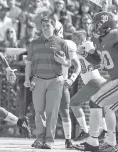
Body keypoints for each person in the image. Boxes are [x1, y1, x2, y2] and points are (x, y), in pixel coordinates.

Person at [74, 12, 118, 152]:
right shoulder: (104, 39)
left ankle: (92, 141)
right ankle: (111, 143)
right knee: (109, 107)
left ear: (106, 25)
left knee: (95, 101)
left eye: (97, 25)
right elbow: (99, 61)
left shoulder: (114, 35)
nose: (95, 28)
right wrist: (85, 55)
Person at [24, 16, 73, 149]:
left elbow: (69, 63)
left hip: (55, 81)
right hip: (37, 80)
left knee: (52, 112)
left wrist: (63, 62)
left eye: (48, 26)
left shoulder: (62, 43)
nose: (45, 28)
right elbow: (28, 63)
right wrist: (26, 79)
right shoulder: (34, 43)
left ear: (54, 26)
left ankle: (49, 140)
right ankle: (39, 138)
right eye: (43, 25)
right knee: (39, 111)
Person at [54, 21, 81, 149]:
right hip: (46, 82)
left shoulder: (66, 45)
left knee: (64, 112)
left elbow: (78, 66)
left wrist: (71, 79)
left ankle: (68, 139)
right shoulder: (43, 44)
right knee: (44, 112)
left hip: (61, 83)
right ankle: (43, 138)